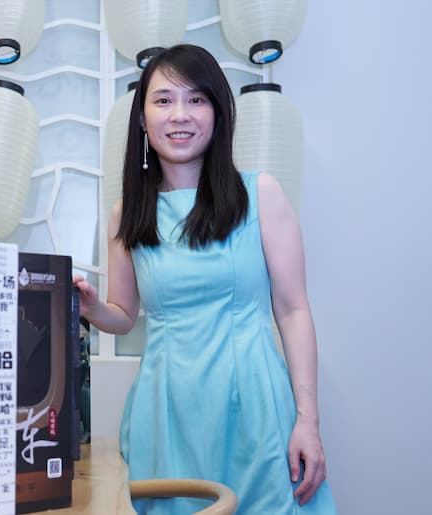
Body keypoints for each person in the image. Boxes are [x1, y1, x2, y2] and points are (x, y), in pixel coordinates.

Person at [74, 44, 337, 513]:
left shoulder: (262, 195)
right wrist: (93, 309)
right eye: (163, 100)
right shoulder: (127, 215)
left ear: (219, 113)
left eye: (197, 99)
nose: (180, 115)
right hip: (167, 409)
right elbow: (124, 314)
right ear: (141, 119)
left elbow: (294, 310)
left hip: (255, 405)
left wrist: (308, 421)